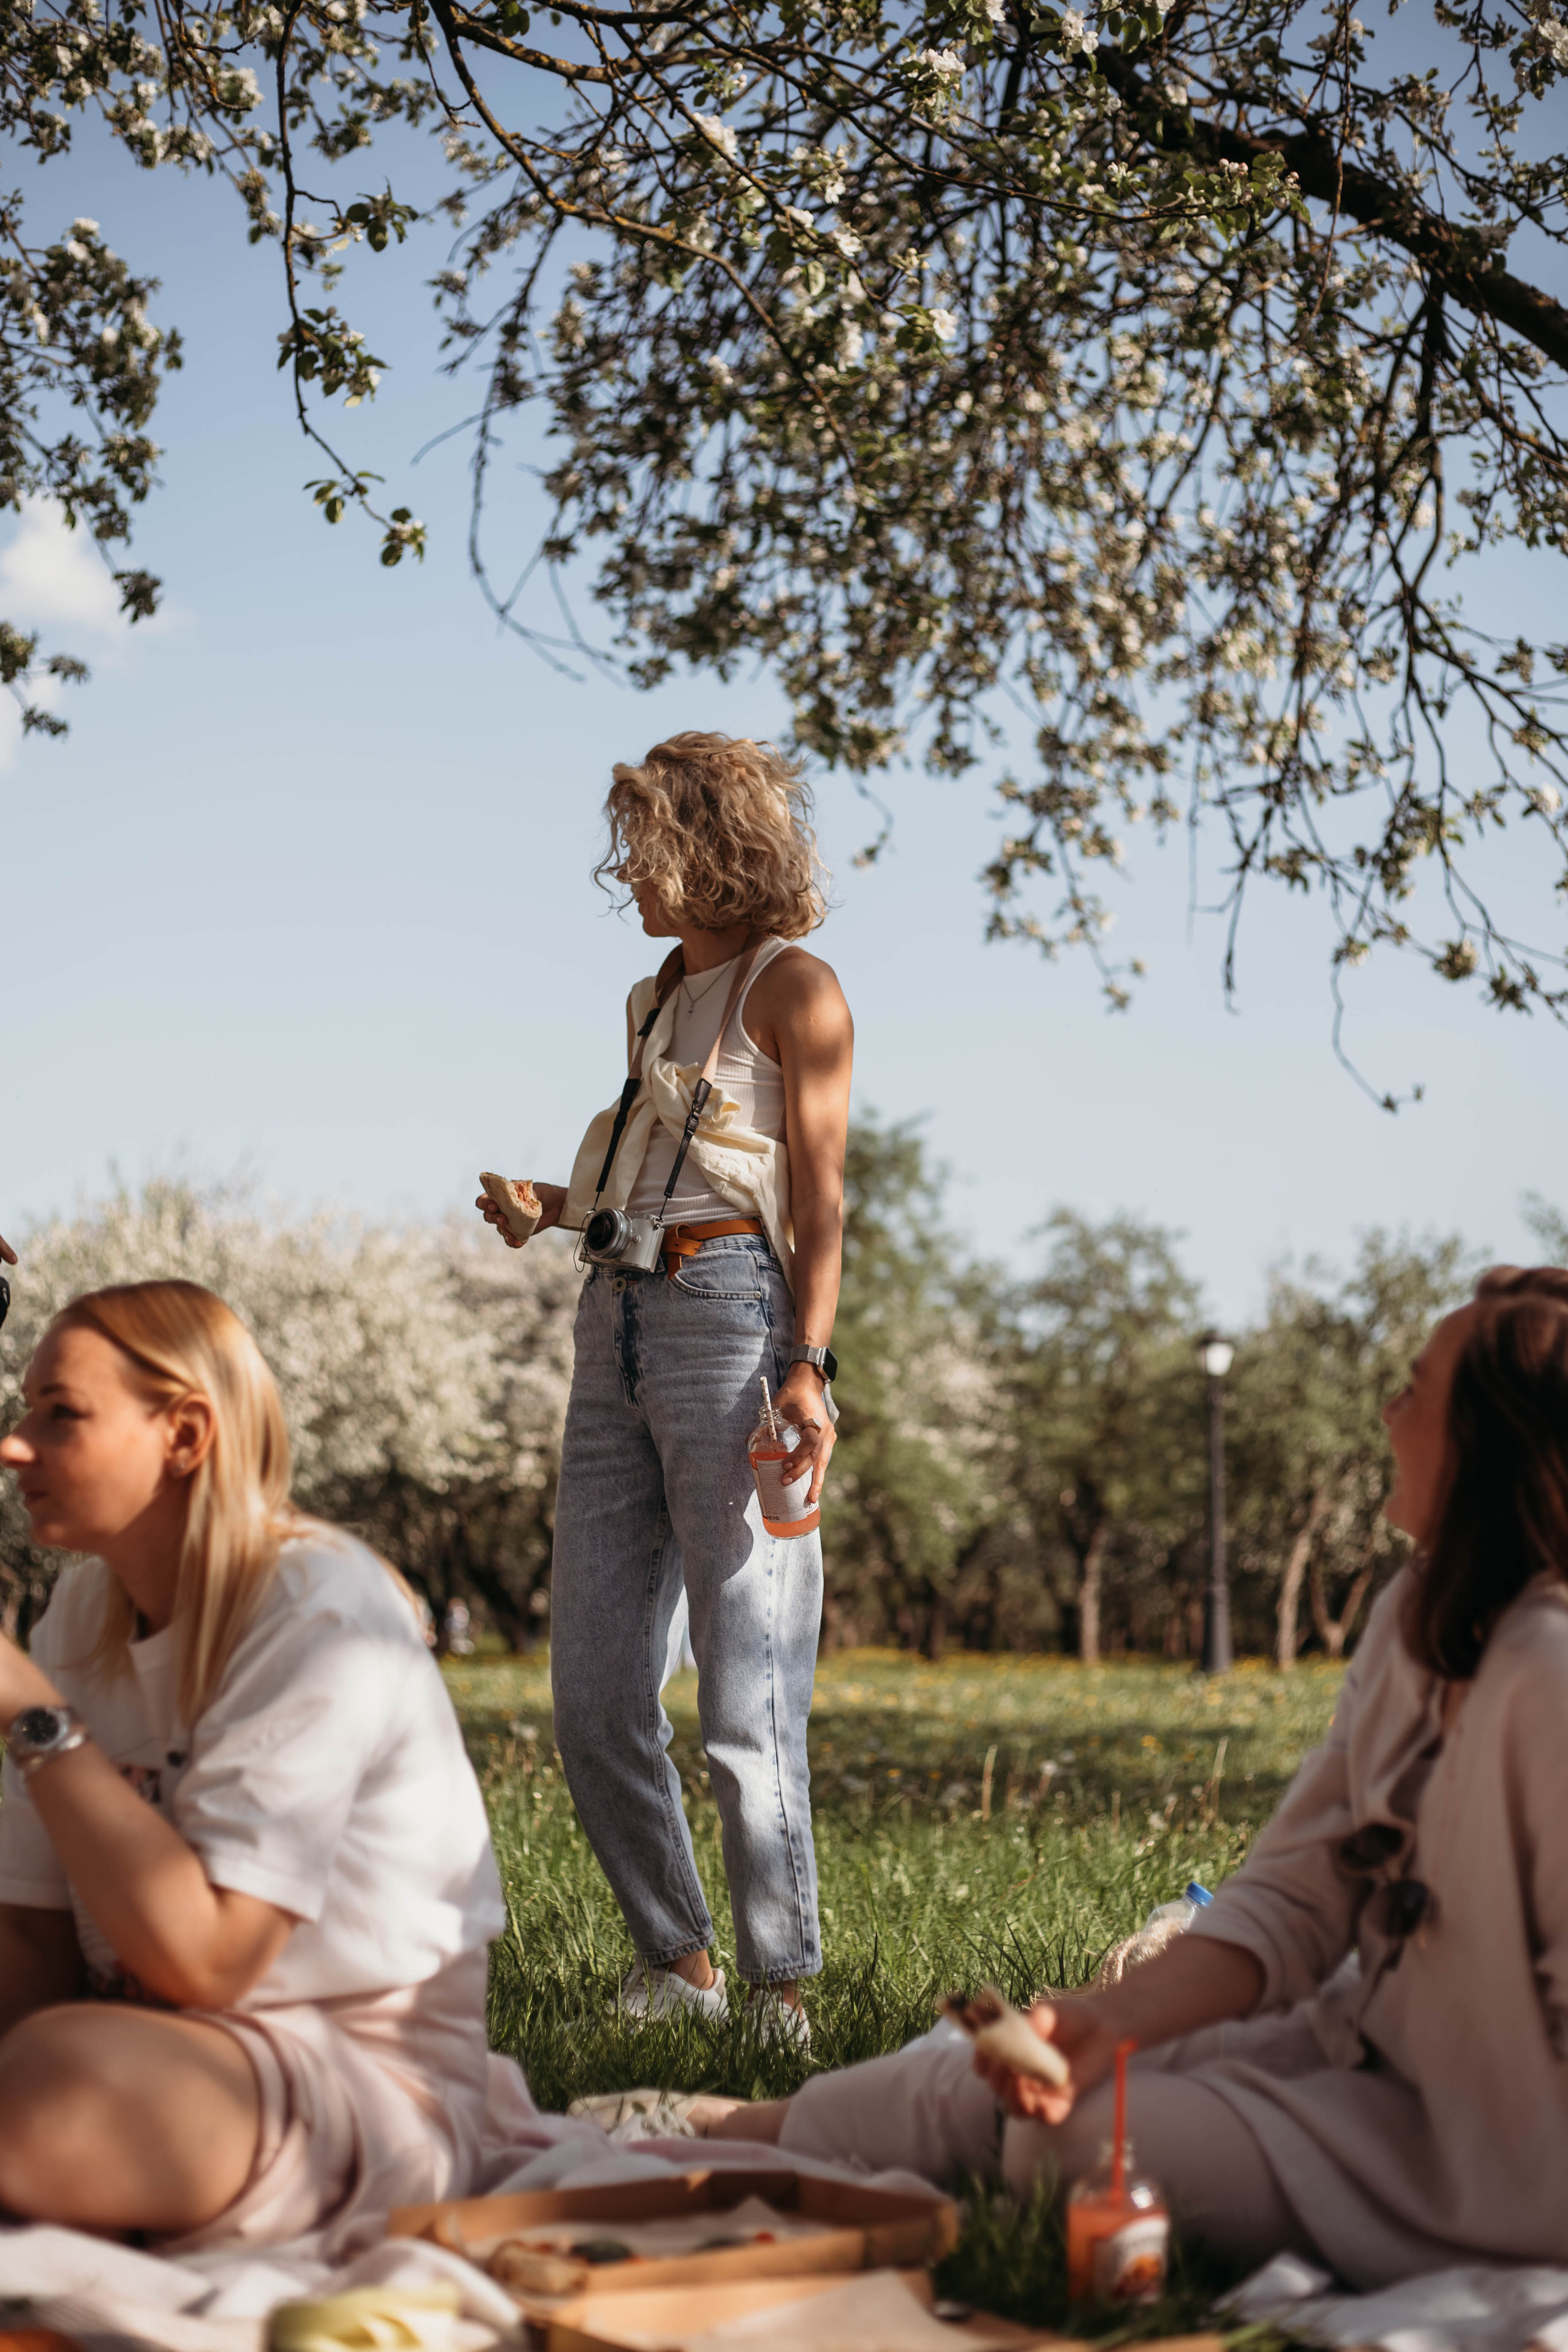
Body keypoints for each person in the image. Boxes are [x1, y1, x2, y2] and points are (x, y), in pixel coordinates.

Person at [699, 1266, 1568, 2288]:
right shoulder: (1413, 1614)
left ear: (1489, 1442)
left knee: (1065, 2142)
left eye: (1418, 1389)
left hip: (1483, 2167)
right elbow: (1294, 1896)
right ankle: (742, 2131)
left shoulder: (1548, 1677)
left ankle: (755, 2139)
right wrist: (1108, 2020)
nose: (1388, 1411)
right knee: (1036, 2063)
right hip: (1356, 2046)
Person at [477, 731, 853, 2043]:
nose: (623, 872)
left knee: (744, 1693)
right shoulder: (647, 1002)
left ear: (711, 846)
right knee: (589, 1693)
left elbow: (811, 1199)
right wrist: (554, 1208)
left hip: (731, 1323)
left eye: (643, 844)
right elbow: (658, 1183)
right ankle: (676, 1965)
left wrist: (805, 1366)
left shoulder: (792, 988)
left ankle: (779, 1990)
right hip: (615, 1321)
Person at [0, 1278, 505, 2250]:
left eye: (59, 1415)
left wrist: (31, 1715)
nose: (15, 1444)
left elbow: (212, 1960)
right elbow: (28, 1943)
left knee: (53, 2090)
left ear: (184, 1434)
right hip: (153, 2052)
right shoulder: (76, 1614)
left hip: (360, 2080)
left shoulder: (317, 1610)